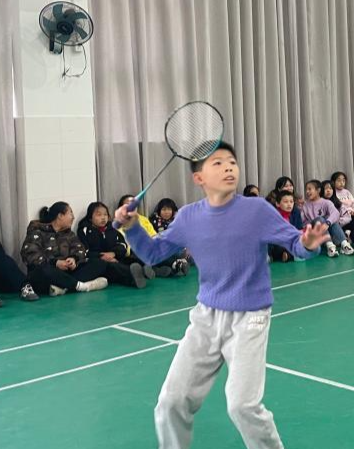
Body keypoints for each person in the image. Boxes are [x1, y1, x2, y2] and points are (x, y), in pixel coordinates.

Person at [114, 142, 329, 449]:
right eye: (217, 163)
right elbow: (152, 253)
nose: (228, 167)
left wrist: (308, 243)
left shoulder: (256, 210)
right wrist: (132, 226)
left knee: (242, 406)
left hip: (250, 317)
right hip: (205, 317)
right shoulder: (188, 217)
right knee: (171, 401)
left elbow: (296, 244)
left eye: (232, 161)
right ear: (198, 178)